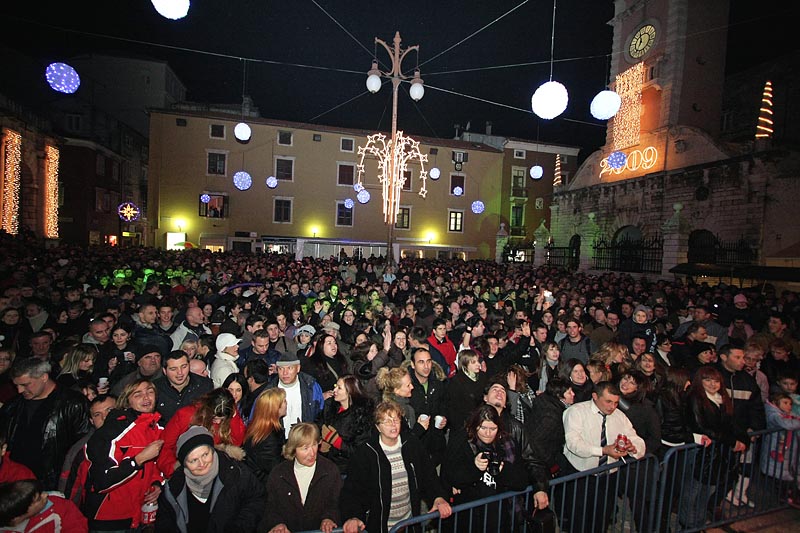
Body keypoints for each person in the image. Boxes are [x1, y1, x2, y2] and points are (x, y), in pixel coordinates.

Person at [341, 401, 452, 533]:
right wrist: (353, 516)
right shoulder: (366, 453)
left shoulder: (411, 444)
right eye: (386, 421)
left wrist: (438, 497)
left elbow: (428, 475)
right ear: (377, 427)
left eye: (396, 420)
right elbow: (352, 490)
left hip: (408, 523)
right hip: (379, 526)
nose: (393, 425)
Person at [560, 381, 646, 533]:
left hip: (608, 477)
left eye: (615, 403)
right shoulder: (576, 412)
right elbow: (574, 444)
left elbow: (637, 439)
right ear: (595, 396)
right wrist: (603, 450)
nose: (612, 407)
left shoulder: (619, 416)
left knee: (602, 520)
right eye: (608, 401)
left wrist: (633, 448)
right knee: (578, 522)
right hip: (580, 476)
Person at [84, 379, 165, 532]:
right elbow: (101, 481)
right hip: (109, 520)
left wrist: (156, 484)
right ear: (127, 400)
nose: (146, 397)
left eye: (150, 391)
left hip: (141, 516)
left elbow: (156, 466)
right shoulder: (113, 430)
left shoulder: (157, 427)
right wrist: (138, 460)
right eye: (138, 394)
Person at [156, 426, 266, 533]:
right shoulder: (174, 487)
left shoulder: (235, 473)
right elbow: (164, 524)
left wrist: (239, 528)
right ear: (184, 464)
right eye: (194, 460)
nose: (202, 463)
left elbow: (256, 499)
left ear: (212, 450)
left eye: (205, 454)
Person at [0, 358, 90, 489]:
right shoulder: (12, 406)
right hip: (17, 482)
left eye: (25, 384)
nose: (19, 390)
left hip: (54, 481)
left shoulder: (74, 403)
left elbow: (82, 447)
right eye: (16, 385)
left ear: (44, 377)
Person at [679, 366, 748, 529]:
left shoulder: (723, 399)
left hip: (718, 452)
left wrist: (742, 439)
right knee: (692, 491)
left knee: (708, 489)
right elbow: (701, 426)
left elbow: (733, 424)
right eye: (707, 380)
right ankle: (688, 525)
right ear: (700, 381)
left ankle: (699, 523)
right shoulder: (695, 398)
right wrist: (731, 442)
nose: (712, 384)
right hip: (700, 450)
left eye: (716, 381)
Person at [442, 404, 529, 532]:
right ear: (475, 425)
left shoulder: (507, 443)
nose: (488, 433)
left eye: (493, 429)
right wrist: (475, 468)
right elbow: (450, 476)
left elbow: (522, 481)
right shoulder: (462, 442)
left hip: (500, 515)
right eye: (483, 428)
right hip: (470, 517)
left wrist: (502, 470)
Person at [259, 423, 343, 533]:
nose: (312, 453)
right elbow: (270, 507)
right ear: (293, 449)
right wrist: (277, 523)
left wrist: (329, 518)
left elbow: (337, 504)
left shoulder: (330, 471)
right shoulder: (279, 474)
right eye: (305, 448)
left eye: (314, 445)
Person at [157, 388, 246, 478]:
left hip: (215, 471)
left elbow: (236, 443)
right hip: (187, 469)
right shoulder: (186, 416)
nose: (218, 422)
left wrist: (234, 417)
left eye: (222, 420)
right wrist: (175, 472)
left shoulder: (228, 415)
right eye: (215, 418)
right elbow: (165, 446)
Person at [319, 375, 373, 474]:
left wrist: (337, 442)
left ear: (350, 392)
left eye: (339, 388)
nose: (334, 390)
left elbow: (361, 450)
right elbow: (319, 424)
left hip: (346, 469)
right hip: (325, 464)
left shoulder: (361, 416)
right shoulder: (329, 406)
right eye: (335, 385)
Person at [264, 352, 324, 439]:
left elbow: (320, 413)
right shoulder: (269, 391)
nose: (285, 373)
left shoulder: (311, 386)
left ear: (298, 368)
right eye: (281, 369)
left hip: (305, 439)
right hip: (278, 442)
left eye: (290, 368)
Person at [0, 479, 88, 533]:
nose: (45, 495)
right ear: (18, 516)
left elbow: (77, 527)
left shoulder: (58, 505)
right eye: (38, 499)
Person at [528, 378, 574, 475]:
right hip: (546, 459)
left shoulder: (545, 398)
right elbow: (536, 441)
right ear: (559, 396)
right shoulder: (552, 416)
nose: (573, 394)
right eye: (569, 393)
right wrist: (551, 464)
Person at [155, 350, 214, 424]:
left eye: (184, 367)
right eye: (173, 369)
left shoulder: (204, 385)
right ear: (164, 371)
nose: (180, 372)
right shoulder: (155, 389)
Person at [243, 388, 287, 483]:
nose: (286, 403)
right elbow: (275, 470)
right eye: (283, 401)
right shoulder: (269, 437)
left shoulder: (260, 429)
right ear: (275, 408)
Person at [445, 350, 486, 433]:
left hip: (480, 421)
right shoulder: (456, 381)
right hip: (462, 426)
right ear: (465, 363)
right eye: (473, 362)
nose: (478, 364)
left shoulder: (483, 376)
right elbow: (452, 407)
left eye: (478, 361)